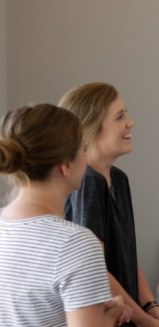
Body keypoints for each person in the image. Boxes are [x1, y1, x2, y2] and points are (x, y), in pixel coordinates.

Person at [0, 104, 130, 326]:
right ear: (65, 166)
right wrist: (113, 314)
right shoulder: (76, 244)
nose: (86, 156)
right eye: (82, 148)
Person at [59, 82, 159, 327]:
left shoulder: (118, 179)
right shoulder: (88, 184)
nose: (131, 122)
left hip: (126, 315)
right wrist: (145, 321)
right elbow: (96, 270)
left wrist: (152, 307)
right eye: (120, 116)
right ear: (90, 127)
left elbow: (127, 255)